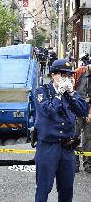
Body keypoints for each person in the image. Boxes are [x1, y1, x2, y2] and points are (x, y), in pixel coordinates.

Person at [34, 59, 89, 202]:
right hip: (48, 146)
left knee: (66, 189)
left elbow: (83, 111)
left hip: (67, 147)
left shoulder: (71, 93)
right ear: (53, 75)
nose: (66, 78)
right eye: (62, 74)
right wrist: (58, 94)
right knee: (43, 188)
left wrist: (71, 94)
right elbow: (49, 111)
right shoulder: (42, 91)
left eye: (68, 75)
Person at [74, 64, 91, 173]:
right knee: (74, 136)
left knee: (89, 137)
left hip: (89, 110)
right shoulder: (79, 72)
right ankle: (74, 163)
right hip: (76, 109)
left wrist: (89, 112)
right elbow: (70, 91)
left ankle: (88, 164)